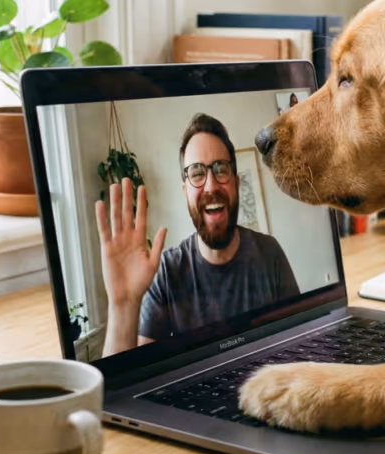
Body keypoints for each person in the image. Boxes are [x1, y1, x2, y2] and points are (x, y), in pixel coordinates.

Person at [96, 113, 300, 357]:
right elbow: (133, 381)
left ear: (236, 183)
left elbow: (300, 340)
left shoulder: (269, 253)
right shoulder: (167, 273)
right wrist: (123, 305)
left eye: (220, 169)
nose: (211, 186)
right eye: (197, 173)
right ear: (185, 192)